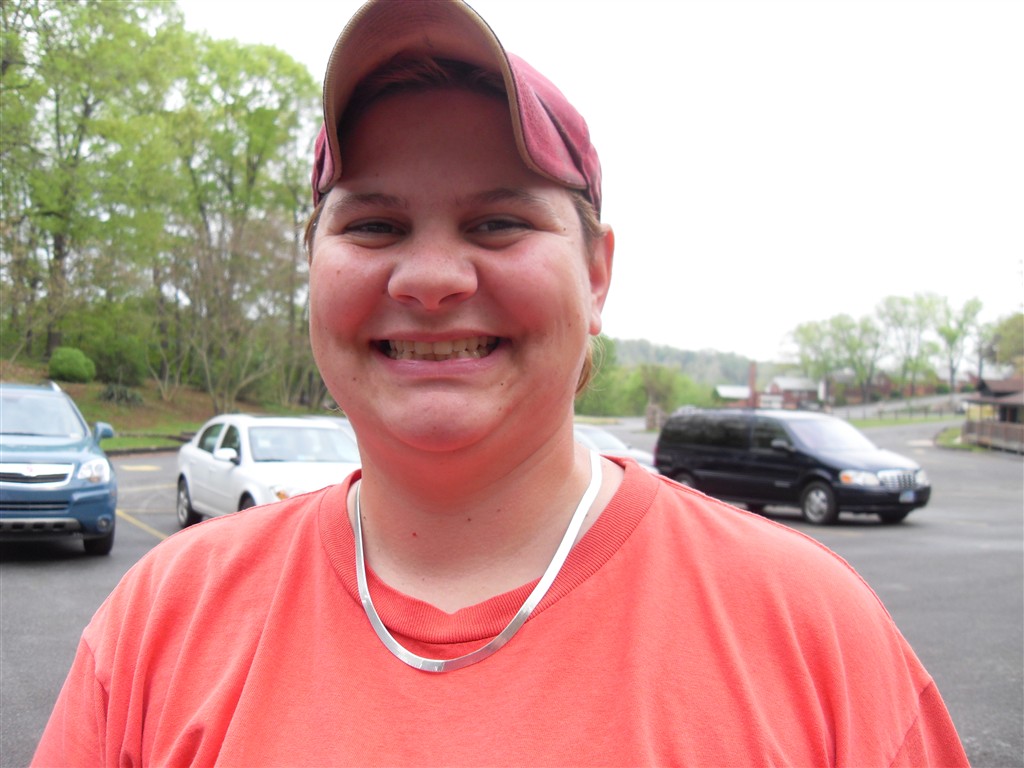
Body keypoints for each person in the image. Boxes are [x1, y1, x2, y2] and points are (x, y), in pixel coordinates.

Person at [33, 1, 969, 765]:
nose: (431, 278)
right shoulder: (161, 623)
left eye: (498, 224)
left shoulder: (811, 631)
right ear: (313, 266)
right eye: (374, 227)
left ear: (596, 275)